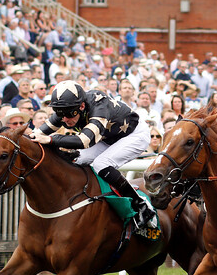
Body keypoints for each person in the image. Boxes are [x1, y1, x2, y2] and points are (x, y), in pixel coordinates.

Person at [30, 80, 156, 228]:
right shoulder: (66, 108)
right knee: (76, 159)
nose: (64, 119)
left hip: (134, 134)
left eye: (69, 113)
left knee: (101, 164)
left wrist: (51, 139)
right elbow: (36, 134)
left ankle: (140, 205)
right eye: (59, 113)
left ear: (82, 106)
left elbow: (84, 141)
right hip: (107, 137)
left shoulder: (99, 105)